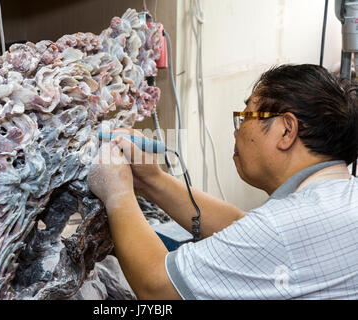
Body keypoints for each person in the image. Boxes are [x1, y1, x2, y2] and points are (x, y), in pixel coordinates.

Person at [87, 64, 358, 300]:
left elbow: (158, 287)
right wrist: (153, 180)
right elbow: (243, 229)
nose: (236, 131)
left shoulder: (281, 229)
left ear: (286, 130)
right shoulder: (341, 197)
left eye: (246, 116)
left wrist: (118, 193)